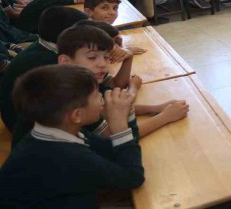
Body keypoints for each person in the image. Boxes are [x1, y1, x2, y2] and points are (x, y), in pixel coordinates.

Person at [0, 65, 145, 208]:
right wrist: (120, 127)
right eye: (96, 95)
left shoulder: (58, 132)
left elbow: (112, 150)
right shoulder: (65, 156)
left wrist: (127, 113)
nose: (102, 97)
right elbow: (132, 178)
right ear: (77, 115)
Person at [57, 25, 189, 138]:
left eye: (106, 57)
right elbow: (114, 139)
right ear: (65, 61)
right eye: (92, 57)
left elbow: (114, 107)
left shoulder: (87, 82)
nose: (103, 64)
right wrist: (165, 117)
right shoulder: (72, 97)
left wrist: (155, 108)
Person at [0, 7, 89, 133]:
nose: (89, 35)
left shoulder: (45, 48)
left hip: (21, 119)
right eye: (84, 31)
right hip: (27, 127)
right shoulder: (50, 61)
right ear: (67, 34)